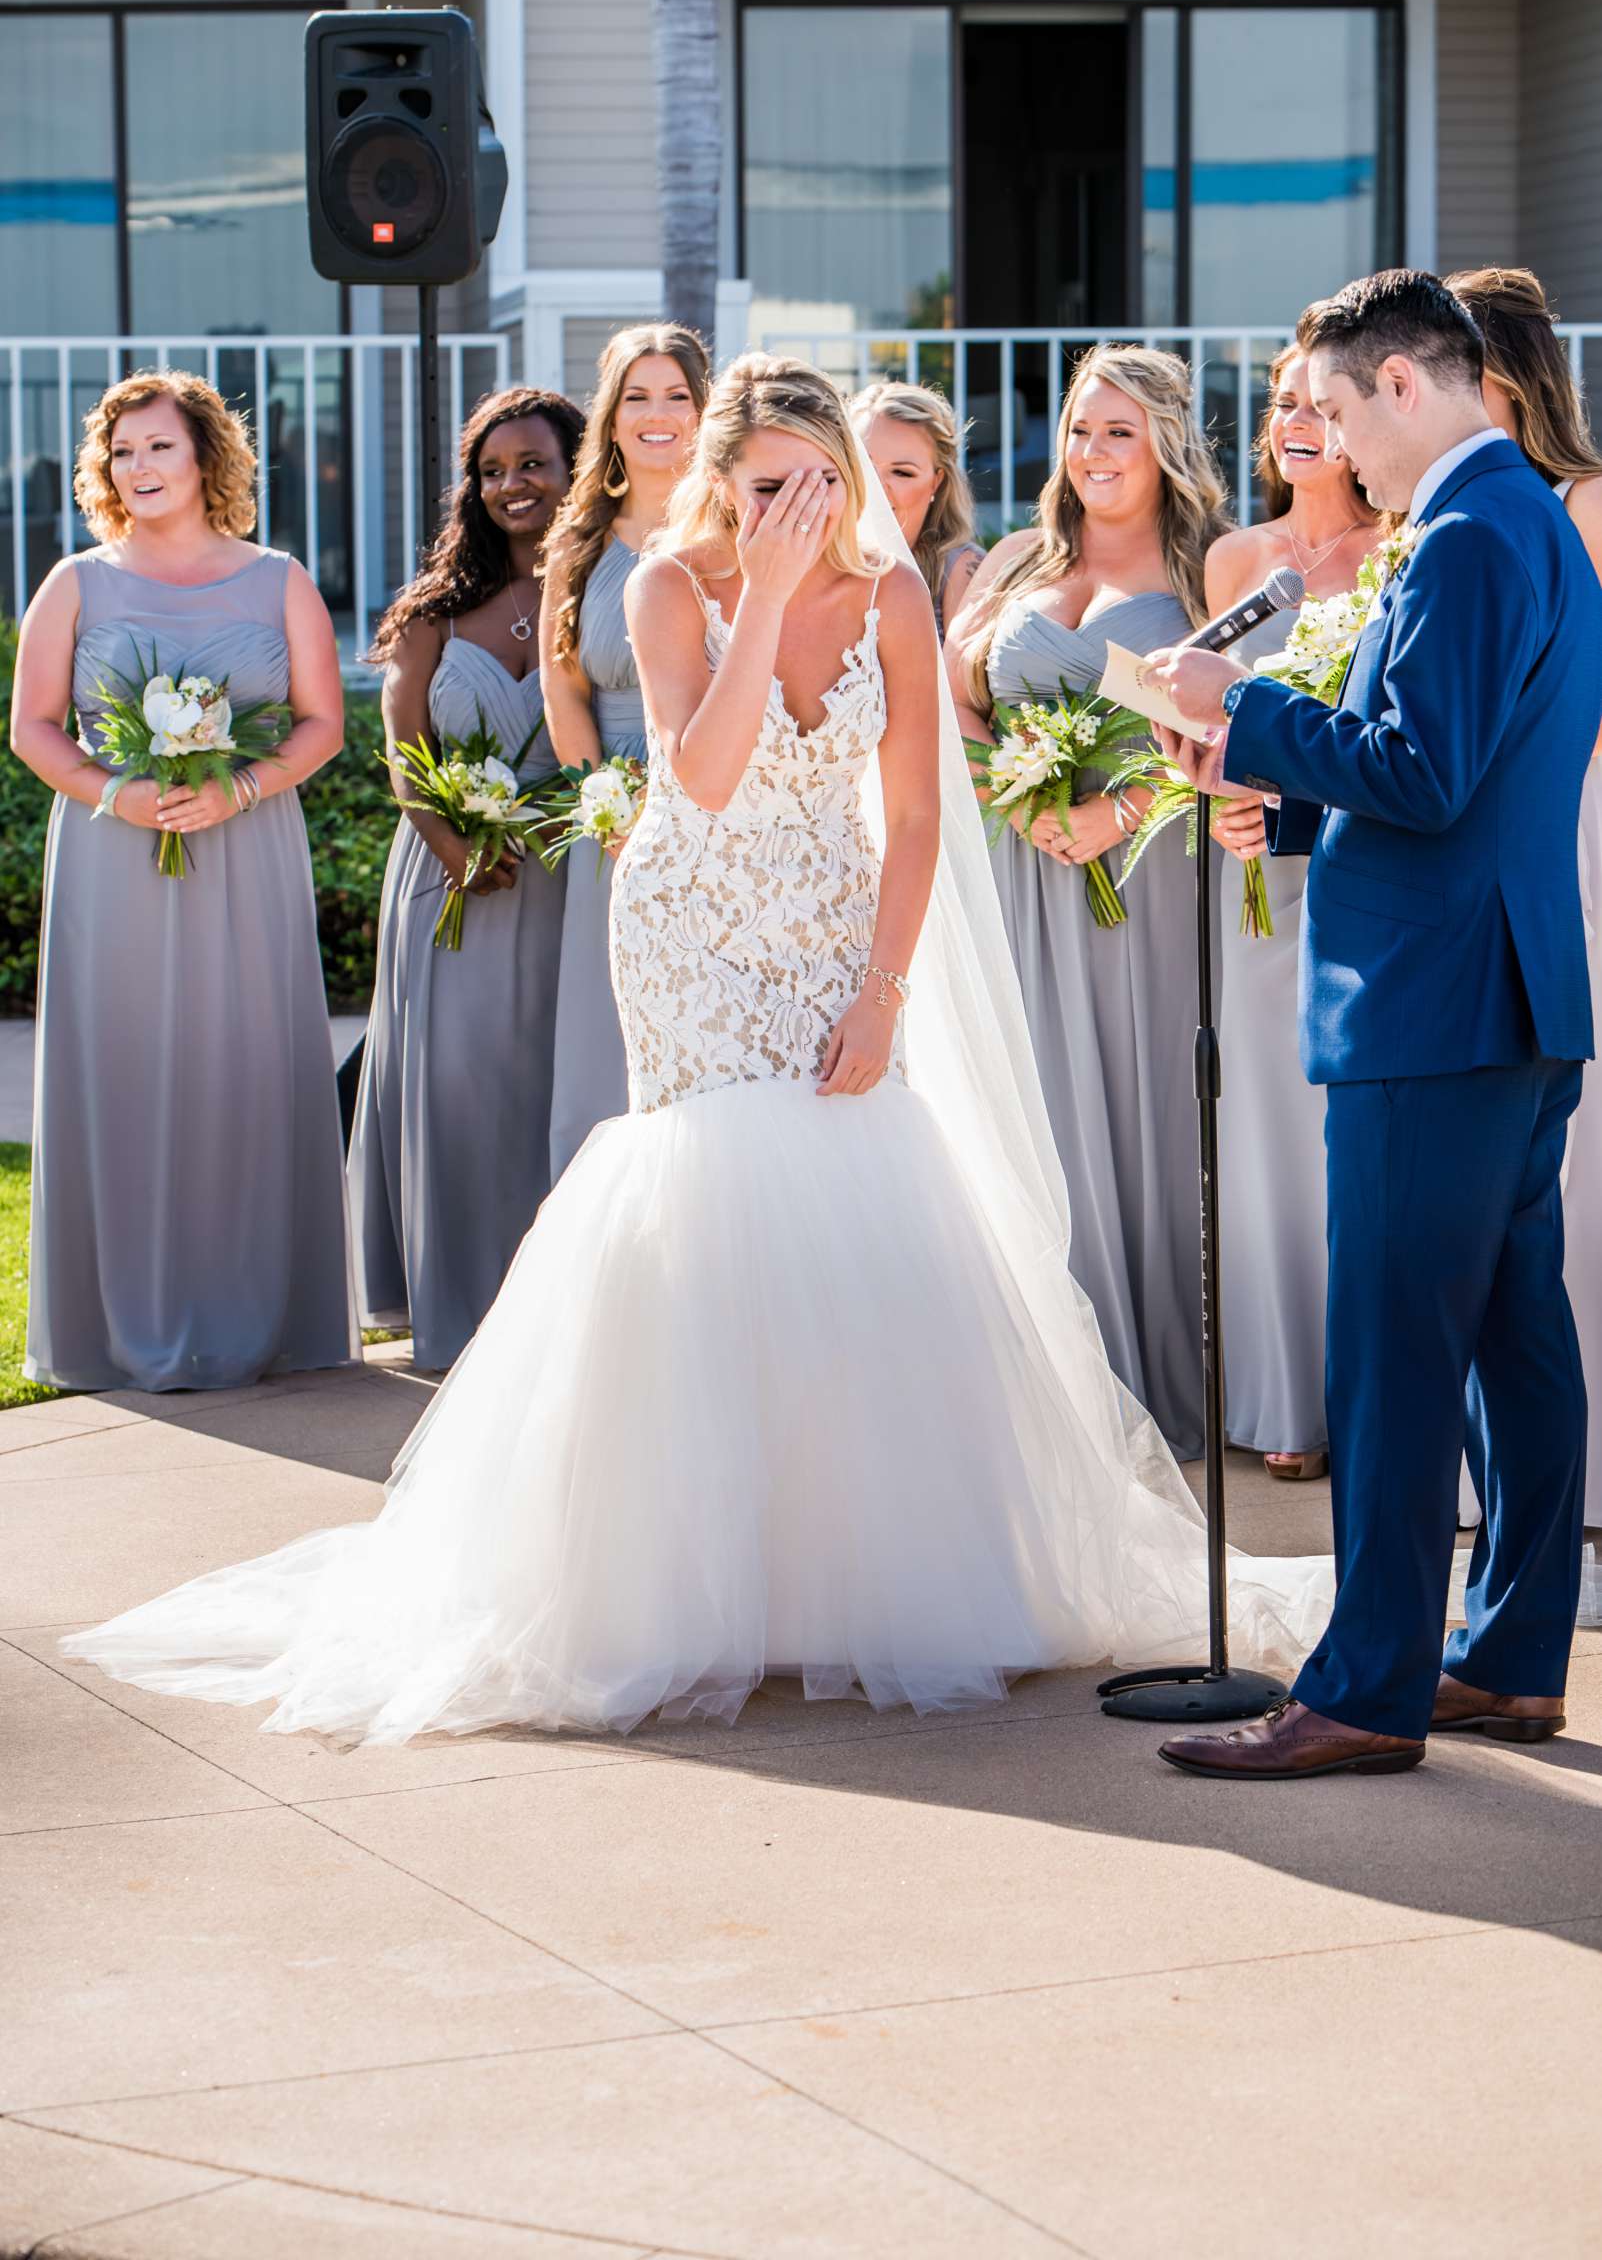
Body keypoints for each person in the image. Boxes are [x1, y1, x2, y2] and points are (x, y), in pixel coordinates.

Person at [59, 352, 1326, 1746]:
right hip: (691, 930)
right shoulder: (667, 588)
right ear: (723, 479)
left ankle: (845, 1563)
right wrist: (764, 602)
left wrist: (885, 990)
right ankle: (687, 1576)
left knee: (855, 1193)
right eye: (774, 486)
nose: (803, 510)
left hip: (840, 920)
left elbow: (912, 818)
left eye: (825, 485)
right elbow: (704, 781)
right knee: (715, 1197)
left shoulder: (896, 592)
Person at [1151, 269, 1602, 1779]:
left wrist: (1242, 706)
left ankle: (1360, 1690)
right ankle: (1508, 1658)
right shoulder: (1519, 516)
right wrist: (1278, 801)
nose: (1330, 444)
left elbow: (1419, 770)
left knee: (1393, 1359)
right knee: (1507, 1336)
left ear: (1400, 385)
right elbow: (1454, 774)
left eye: (1336, 410)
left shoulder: (1471, 530)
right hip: (1504, 984)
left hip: (1435, 1002)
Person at [12, 370, 355, 1391]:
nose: (139, 467)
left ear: (207, 457)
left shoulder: (280, 579)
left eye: (159, 447)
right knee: (121, 1069)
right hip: (114, 854)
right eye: (122, 452)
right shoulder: (74, 581)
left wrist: (238, 791)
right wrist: (113, 797)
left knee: (242, 1068)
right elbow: (32, 727)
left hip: (244, 850)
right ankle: (122, 1323)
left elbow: (322, 725)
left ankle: (257, 1313)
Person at [945, 345, 1229, 1462]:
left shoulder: (1208, 568)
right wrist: (1010, 799)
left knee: (1140, 1105)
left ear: (1165, 442)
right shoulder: (1015, 559)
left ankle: (1145, 1371)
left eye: (1120, 431)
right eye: (1079, 430)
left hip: (1148, 865)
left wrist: (1122, 810)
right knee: (1032, 1107)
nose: (1095, 453)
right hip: (1024, 870)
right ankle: (1041, 1376)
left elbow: (1228, 711)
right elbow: (951, 700)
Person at [346, 387, 585, 1372]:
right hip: (454, 879)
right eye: (491, 471)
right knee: (458, 1088)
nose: (511, 486)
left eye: (532, 463)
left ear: (580, 467)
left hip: (573, 877)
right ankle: (461, 1310)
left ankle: (563, 1314)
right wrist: (456, 847)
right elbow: (404, 759)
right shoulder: (432, 616)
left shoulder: (614, 590)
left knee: (553, 1090)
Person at [1205, 345, 1384, 1483]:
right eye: (1281, 409)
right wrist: (1218, 787)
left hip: (1365, 859)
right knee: (1265, 1121)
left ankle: (1363, 1389)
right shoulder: (1238, 557)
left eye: (1317, 406)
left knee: (1348, 1136)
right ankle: (1283, 1398)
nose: (1295, 425)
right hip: (1253, 877)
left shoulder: (1398, 551)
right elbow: (1191, 701)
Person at [1445, 266, 1602, 1533]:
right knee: (1507, 1261)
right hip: (1498, 852)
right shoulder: (1452, 520)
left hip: (1558, 838)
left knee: (1537, 1245)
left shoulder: (1569, 507)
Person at [539, 324, 710, 1177]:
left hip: (722, 816)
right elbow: (563, 687)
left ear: (704, 409)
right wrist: (603, 804)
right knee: (609, 1041)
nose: (658, 415)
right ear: (610, 419)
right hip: (614, 828)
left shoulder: (736, 528)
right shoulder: (576, 546)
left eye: (676, 395)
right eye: (637, 396)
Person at [851, 379, 984, 636]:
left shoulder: (960, 570)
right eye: (864, 468)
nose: (877, 487)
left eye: (902, 472)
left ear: (936, 483)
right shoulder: (807, 559)